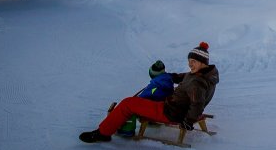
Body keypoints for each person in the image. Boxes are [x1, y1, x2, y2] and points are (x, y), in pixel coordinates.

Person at [80, 42, 219, 143]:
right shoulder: (205, 74)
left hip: (170, 111)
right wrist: (167, 76)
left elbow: (197, 104)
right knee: (154, 94)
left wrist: (188, 122)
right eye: (189, 61)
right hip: (175, 105)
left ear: (202, 62)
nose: (190, 64)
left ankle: (103, 133)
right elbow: (183, 77)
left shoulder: (197, 83)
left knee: (128, 103)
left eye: (193, 61)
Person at [115, 60, 175, 137]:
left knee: (132, 106)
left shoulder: (156, 86)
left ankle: (127, 130)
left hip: (157, 109)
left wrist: (137, 98)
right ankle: (151, 122)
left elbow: (145, 96)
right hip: (161, 105)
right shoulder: (166, 80)